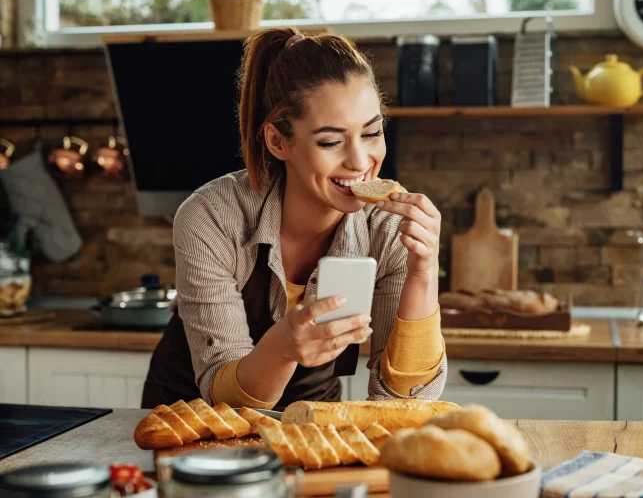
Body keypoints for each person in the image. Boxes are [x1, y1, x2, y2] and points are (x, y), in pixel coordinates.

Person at [141, 28, 447, 411]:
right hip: (192, 419)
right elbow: (225, 398)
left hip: (310, 417)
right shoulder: (211, 217)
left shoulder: (389, 229)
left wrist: (423, 270)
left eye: (371, 132)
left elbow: (403, 402)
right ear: (278, 142)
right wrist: (283, 347)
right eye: (331, 142)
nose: (359, 161)